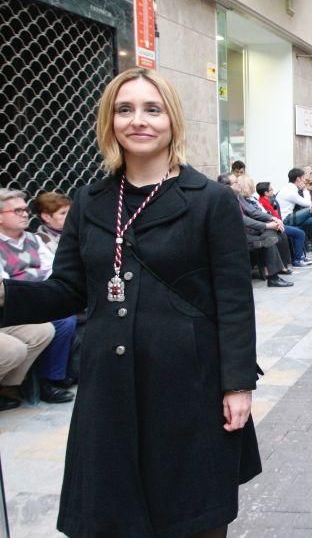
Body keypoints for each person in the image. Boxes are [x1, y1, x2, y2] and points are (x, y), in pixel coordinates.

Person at [0, 68, 260, 537]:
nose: (138, 120)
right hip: (109, 388)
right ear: (110, 121)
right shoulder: (89, 200)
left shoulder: (211, 200)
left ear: (172, 121)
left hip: (188, 385)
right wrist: (5, 295)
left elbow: (235, 301)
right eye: (125, 109)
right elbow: (69, 290)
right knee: (110, 518)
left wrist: (237, 385)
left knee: (189, 519)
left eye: (151, 109)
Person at [0, 189, 77, 403]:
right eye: (17, 210)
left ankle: (44, 380)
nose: (25, 214)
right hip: (12, 307)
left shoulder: (34, 240)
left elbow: (53, 270)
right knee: (60, 321)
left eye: (25, 210)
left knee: (65, 318)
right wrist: (38, 284)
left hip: (39, 298)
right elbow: (5, 286)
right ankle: (44, 383)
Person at [276, 168, 312, 256]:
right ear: (298, 179)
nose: (304, 181)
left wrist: (311, 204)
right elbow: (307, 204)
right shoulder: (290, 191)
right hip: (285, 220)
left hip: (292, 217)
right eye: (303, 178)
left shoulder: (290, 188)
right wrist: (305, 190)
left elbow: (307, 203)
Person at [255, 181, 312, 267]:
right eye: (271, 189)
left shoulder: (266, 200)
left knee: (298, 231)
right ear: (266, 193)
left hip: (279, 224)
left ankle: (300, 256)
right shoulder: (263, 202)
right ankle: (297, 259)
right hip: (276, 227)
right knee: (300, 233)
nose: (273, 190)